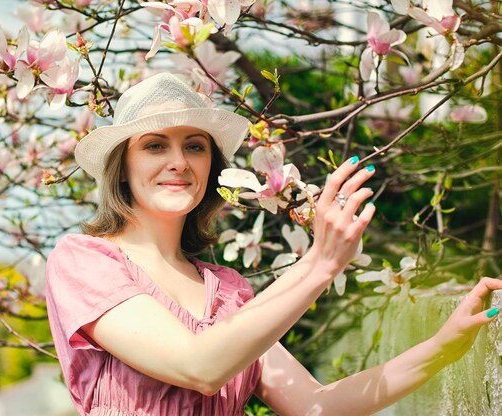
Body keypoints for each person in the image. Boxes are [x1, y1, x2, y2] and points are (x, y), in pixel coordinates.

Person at [45, 72, 501, 416]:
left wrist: (444, 345)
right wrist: (320, 263)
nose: (179, 162)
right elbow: (198, 367)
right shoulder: (85, 260)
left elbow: (315, 406)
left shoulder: (229, 292)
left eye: (196, 146)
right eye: (155, 146)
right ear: (122, 167)